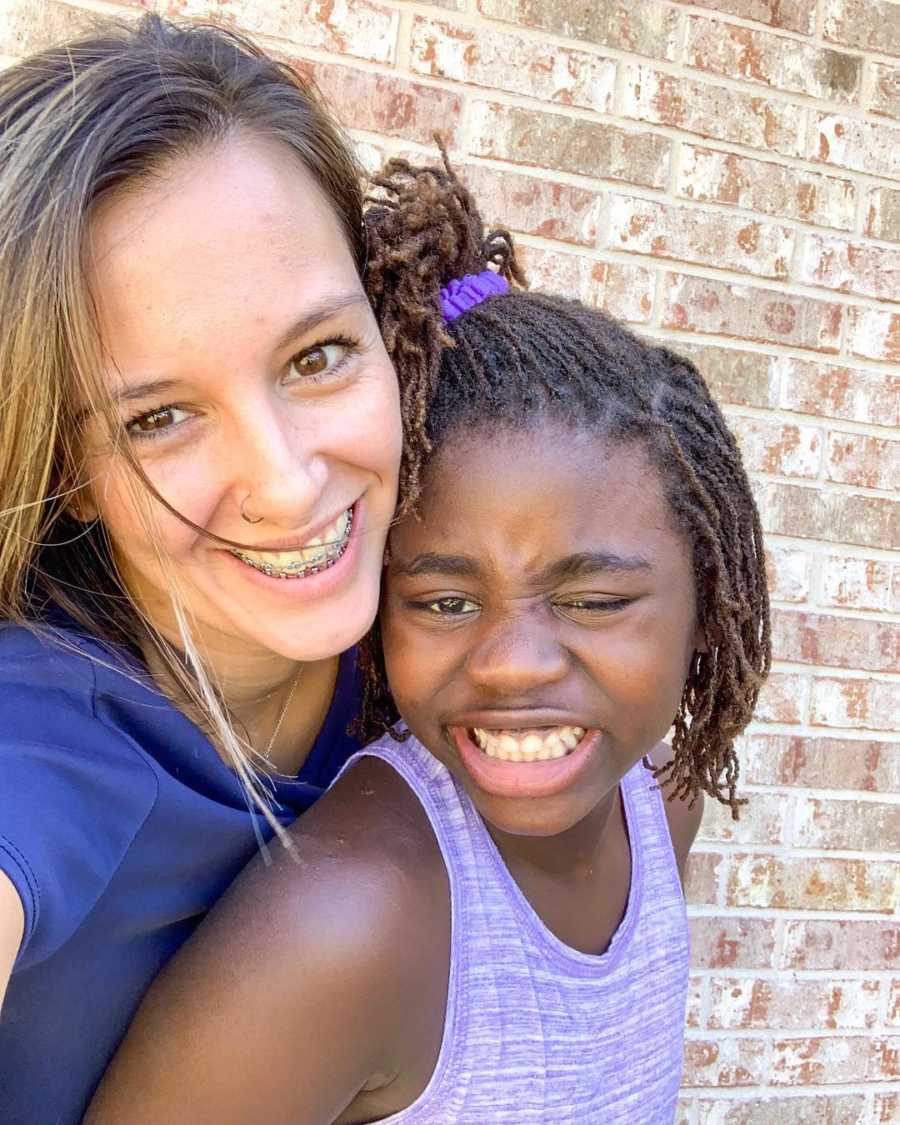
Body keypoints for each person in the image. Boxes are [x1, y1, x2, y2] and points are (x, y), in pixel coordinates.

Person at [87, 156, 771, 1124]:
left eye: (592, 602)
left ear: (708, 602)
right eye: (446, 603)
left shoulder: (661, 804)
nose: (514, 665)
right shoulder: (349, 919)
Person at [0, 15, 409, 1122]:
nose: (283, 483)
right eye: (162, 418)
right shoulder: (35, 744)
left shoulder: (439, 637)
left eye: (318, 356)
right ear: (71, 471)